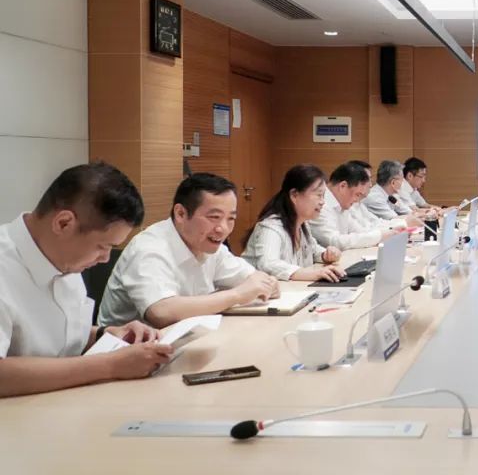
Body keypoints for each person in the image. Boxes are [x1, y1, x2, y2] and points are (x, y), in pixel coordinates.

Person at [0, 162, 173, 398]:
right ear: (63, 223)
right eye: (102, 246)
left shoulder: (62, 256)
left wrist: (107, 334)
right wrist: (111, 365)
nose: (105, 259)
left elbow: (57, 339)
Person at [98, 173, 281, 328]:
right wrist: (237, 295)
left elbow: (252, 278)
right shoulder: (149, 248)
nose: (223, 229)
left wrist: (266, 284)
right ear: (181, 214)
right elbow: (161, 312)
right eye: (214, 217)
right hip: (128, 350)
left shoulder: (209, 244)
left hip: (185, 340)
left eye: (231, 219)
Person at [243, 165, 346, 282]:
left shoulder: (302, 224)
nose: (322, 202)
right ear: (294, 195)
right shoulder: (271, 227)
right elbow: (268, 264)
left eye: (323, 196)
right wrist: (312, 273)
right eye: (318, 195)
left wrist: (326, 255)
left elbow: (312, 251)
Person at [310, 161, 401, 250]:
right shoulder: (320, 205)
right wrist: (380, 236)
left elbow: (361, 231)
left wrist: (390, 231)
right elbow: (334, 241)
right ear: (343, 186)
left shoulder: (342, 205)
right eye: (357, 195)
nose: (357, 200)